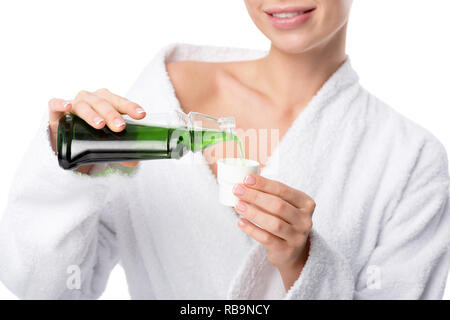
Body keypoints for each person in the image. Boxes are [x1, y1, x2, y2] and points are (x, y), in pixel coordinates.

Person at [0, 0, 449, 300]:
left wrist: (304, 265)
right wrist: (70, 173)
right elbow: (47, 287)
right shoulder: (158, 99)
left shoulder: (411, 160)